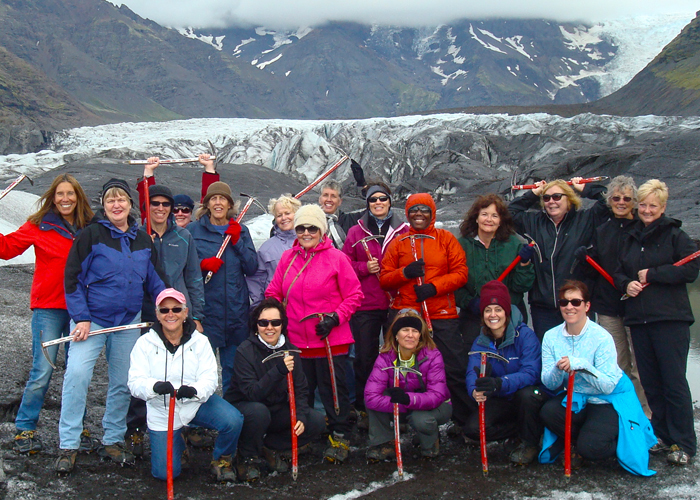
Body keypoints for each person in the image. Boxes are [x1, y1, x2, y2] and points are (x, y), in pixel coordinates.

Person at [57, 178, 167, 474]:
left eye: (121, 200)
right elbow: (72, 279)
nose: (116, 205)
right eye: (110, 201)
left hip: (128, 322)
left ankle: (113, 438)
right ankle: (68, 444)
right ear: (103, 206)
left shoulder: (142, 240)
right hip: (91, 322)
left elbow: (154, 280)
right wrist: (80, 317)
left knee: (122, 382)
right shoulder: (90, 235)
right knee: (77, 376)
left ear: (130, 204)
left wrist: (169, 300)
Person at [0, 174, 96, 455]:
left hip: (82, 311)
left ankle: (77, 427)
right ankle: (25, 428)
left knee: (77, 371)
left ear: (78, 197)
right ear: (52, 197)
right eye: (60, 194)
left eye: (70, 194)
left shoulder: (89, 227)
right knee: (43, 369)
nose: (65, 199)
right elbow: (6, 250)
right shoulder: (38, 226)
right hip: (49, 308)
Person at [265, 204, 363, 464]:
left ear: (321, 229)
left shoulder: (337, 258)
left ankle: (340, 435)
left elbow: (355, 295)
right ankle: (306, 436)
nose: (306, 232)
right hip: (297, 341)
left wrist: (335, 318)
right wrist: (275, 316)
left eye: (311, 227)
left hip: (330, 340)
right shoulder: (288, 258)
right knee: (300, 394)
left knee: (334, 393)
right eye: (301, 227)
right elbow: (274, 291)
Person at [613, 179, 699, 466]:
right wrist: (627, 285)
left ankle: (685, 442)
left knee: (673, 383)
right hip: (639, 319)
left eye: (653, 205)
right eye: (643, 205)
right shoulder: (630, 236)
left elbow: (690, 269)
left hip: (670, 320)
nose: (647, 210)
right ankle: (663, 436)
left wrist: (653, 275)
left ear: (662, 207)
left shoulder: (676, 235)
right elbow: (619, 272)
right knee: (651, 383)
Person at [127, 162, 206, 454]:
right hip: (145, 312)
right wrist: (147, 176)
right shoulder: (137, 235)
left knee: (180, 370)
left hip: (175, 314)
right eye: (155, 203)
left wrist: (196, 315)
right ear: (148, 205)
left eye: (166, 204)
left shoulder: (184, 237)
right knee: (144, 371)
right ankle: (136, 427)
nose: (160, 208)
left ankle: (182, 427)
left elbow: (194, 278)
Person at [539, 281, 656, 476]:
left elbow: (608, 385)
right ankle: (579, 440)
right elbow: (549, 383)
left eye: (576, 302)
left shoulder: (602, 337)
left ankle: (618, 439)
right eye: (564, 302)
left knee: (592, 448)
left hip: (607, 399)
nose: (569, 307)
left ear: (587, 306)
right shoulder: (551, 337)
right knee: (548, 412)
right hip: (578, 396)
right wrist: (558, 369)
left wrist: (583, 366)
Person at [128, 288, 243, 482]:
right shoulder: (144, 343)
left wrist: (195, 391)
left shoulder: (201, 342)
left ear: (185, 312)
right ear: (157, 314)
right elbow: (134, 382)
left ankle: (222, 459)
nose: (170, 314)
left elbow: (210, 379)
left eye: (176, 309)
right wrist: (153, 387)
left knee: (233, 420)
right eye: (164, 310)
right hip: (162, 412)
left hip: (196, 404)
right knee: (164, 474)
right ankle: (178, 444)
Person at [379, 193, 470, 431]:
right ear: (407, 213)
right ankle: (403, 419)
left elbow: (461, 273)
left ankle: (462, 420)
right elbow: (384, 279)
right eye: (413, 210)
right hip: (406, 315)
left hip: (441, 314)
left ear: (432, 212)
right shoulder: (398, 243)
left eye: (424, 209)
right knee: (401, 368)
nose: (419, 214)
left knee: (454, 367)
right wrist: (404, 274)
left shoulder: (446, 239)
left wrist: (434, 287)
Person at [224, 298, 325, 481]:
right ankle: (246, 457)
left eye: (275, 322)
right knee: (258, 412)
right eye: (263, 323)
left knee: (315, 421)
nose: (269, 327)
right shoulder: (244, 351)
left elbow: (301, 388)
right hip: (246, 407)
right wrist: (278, 370)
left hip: (275, 407)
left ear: (282, 325)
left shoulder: (291, 350)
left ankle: (268, 447)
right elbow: (252, 393)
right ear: (256, 326)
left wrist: (300, 415)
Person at [574, 176, 650, 417]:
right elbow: (592, 267)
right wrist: (584, 259)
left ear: (634, 202)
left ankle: (645, 415)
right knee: (617, 364)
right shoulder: (602, 230)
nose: (621, 202)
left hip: (638, 304)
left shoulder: (642, 228)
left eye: (627, 199)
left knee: (641, 365)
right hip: (608, 306)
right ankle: (623, 413)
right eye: (616, 198)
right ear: (609, 201)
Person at [508, 177, 609, 339]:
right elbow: (509, 213)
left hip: (576, 304)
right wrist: (533, 194)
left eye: (557, 197)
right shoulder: (534, 222)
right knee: (550, 356)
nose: (551, 202)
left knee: (581, 356)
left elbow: (609, 201)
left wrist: (586, 188)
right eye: (546, 198)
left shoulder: (585, 220)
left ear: (569, 199)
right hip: (543, 307)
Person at [341, 183, 409, 413]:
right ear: (367, 204)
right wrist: (363, 267)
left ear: (390, 201)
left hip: (396, 302)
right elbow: (344, 264)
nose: (378, 203)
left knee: (398, 355)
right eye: (373, 200)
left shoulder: (403, 231)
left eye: (382, 198)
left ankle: (399, 405)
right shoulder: (356, 232)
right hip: (366, 304)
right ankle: (365, 407)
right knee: (364, 358)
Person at [464, 280, 547, 465]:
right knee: (473, 429)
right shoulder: (481, 340)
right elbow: (472, 371)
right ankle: (517, 432)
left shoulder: (524, 335)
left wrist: (501, 382)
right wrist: (474, 389)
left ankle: (530, 443)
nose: (493, 315)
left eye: (498, 309)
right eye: (488, 310)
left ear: (507, 311)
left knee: (528, 396)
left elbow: (531, 372)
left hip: (525, 396)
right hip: (501, 398)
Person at [188, 181, 258, 394]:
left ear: (229, 205)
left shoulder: (241, 230)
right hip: (206, 313)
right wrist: (202, 265)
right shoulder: (193, 230)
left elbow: (252, 267)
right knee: (201, 370)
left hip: (236, 314)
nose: (218, 203)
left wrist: (237, 242)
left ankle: (230, 411)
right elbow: (185, 268)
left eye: (223, 199)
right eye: (213, 199)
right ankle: (198, 413)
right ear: (207, 204)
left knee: (233, 368)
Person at [364, 309, 451, 460]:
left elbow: (437, 395)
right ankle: (384, 442)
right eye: (405, 330)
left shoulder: (432, 355)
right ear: (396, 335)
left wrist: (408, 400)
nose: (410, 335)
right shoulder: (385, 357)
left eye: (415, 331)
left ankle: (430, 443)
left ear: (420, 335)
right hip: (403, 404)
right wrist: (401, 403)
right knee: (376, 401)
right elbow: (371, 396)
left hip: (436, 407)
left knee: (420, 418)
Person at [456, 194, 535, 349]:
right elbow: (454, 282)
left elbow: (521, 286)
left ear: (501, 221)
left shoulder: (513, 244)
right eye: (484, 214)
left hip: (508, 312)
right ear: (476, 218)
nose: (489, 220)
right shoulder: (461, 245)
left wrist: (524, 263)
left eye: (494, 216)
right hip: (474, 314)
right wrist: (469, 302)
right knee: (472, 356)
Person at [246, 194, 302, 308]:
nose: (284, 218)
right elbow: (256, 280)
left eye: (287, 213)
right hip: (277, 309)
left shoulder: (308, 241)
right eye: (279, 215)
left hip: (306, 308)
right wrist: (260, 307)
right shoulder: (266, 249)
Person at [318, 179, 364, 249]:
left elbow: (373, 211)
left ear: (340, 201)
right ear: (320, 199)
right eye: (325, 195)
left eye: (333, 196)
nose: (329, 199)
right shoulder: (310, 221)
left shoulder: (350, 220)